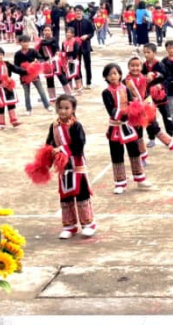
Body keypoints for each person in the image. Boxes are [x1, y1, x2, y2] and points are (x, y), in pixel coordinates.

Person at [42, 94, 97, 239]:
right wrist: (46, 159)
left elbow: (79, 145)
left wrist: (61, 149)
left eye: (66, 108)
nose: (63, 111)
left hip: (77, 164)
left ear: (73, 109)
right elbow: (49, 143)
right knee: (65, 196)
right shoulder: (54, 126)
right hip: (63, 167)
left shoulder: (76, 126)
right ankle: (69, 226)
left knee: (81, 194)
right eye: (60, 108)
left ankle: (88, 224)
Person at [101, 62, 151, 194]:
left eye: (115, 73)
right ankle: (120, 183)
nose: (113, 76)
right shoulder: (106, 92)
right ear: (105, 77)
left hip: (128, 127)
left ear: (120, 75)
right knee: (117, 155)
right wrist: (125, 114)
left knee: (134, 152)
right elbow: (110, 110)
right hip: (115, 128)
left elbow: (132, 102)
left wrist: (137, 110)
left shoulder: (125, 88)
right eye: (109, 74)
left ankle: (140, 179)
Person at [123, 56, 173, 159]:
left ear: (141, 67)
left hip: (146, 108)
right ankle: (143, 157)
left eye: (137, 66)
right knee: (138, 135)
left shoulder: (145, 78)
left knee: (155, 129)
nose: (135, 68)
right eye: (132, 66)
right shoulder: (125, 81)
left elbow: (162, 76)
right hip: (134, 111)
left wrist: (154, 74)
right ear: (128, 67)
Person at [14, 36, 52, 116]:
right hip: (24, 76)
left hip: (34, 74)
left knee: (41, 91)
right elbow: (16, 66)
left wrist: (36, 62)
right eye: (23, 42)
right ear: (20, 43)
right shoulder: (17, 54)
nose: (26, 43)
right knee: (26, 93)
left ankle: (47, 105)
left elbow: (40, 58)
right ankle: (28, 109)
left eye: (27, 42)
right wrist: (23, 69)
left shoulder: (33, 51)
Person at [0, 47, 25, 130]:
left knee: (11, 104)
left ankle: (14, 121)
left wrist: (26, 71)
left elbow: (16, 69)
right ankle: (1, 123)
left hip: (9, 87)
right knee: (0, 106)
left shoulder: (7, 64)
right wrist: (1, 79)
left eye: (1, 54)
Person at [69, 6, 95, 87]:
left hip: (85, 46)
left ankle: (88, 82)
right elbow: (69, 35)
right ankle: (79, 82)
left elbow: (92, 32)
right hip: (75, 48)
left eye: (80, 11)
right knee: (77, 65)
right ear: (74, 12)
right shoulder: (71, 23)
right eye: (76, 11)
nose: (78, 12)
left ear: (82, 12)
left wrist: (87, 36)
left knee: (87, 65)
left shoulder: (88, 22)